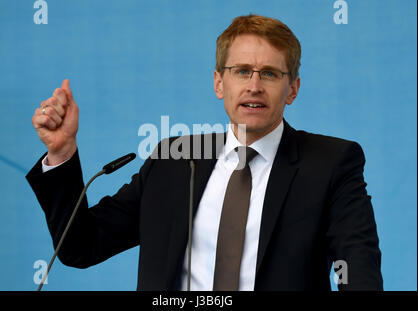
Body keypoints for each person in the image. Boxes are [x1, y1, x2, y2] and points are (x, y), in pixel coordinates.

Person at [26, 14, 383, 291]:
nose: (254, 86)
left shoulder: (330, 163)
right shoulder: (175, 158)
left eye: (270, 74)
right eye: (242, 71)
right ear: (218, 83)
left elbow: (358, 270)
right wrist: (61, 153)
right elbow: (81, 245)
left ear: (293, 90)